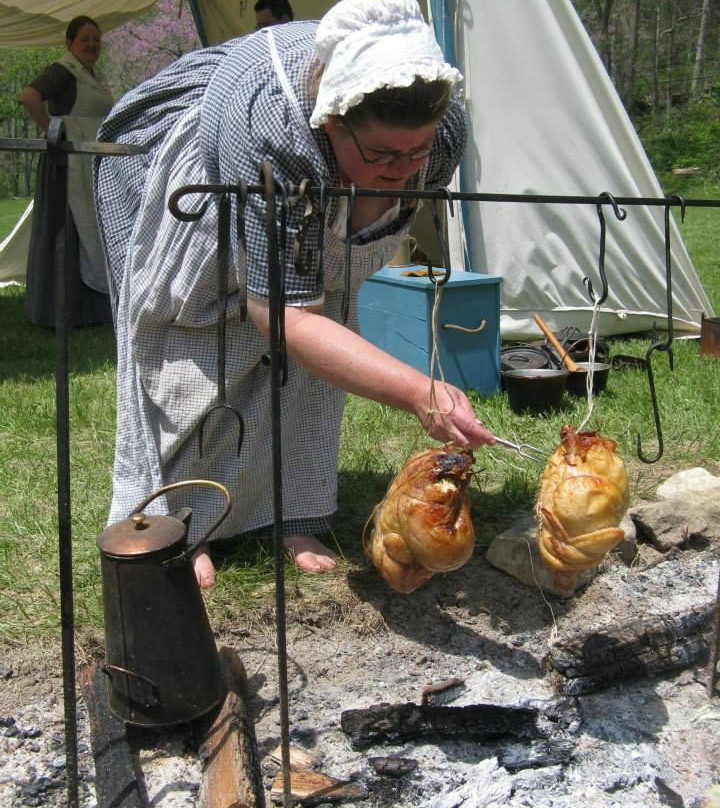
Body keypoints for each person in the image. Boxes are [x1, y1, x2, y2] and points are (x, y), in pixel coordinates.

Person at [94, 0, 495, 590]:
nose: (404, 168)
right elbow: (283, 318)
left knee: (325, 324)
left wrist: (372, 182)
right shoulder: (272, 129)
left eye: (415, 152)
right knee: (197, 339)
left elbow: (324, 298)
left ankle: (287, 512)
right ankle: (177, 520)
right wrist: (418, 391)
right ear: (333, 122)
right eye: (383, 154)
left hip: (302, 177)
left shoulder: (443, 128)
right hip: (187, 161)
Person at [20, 16, 113, 328]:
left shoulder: (91, 74)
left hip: (90, 164)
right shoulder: (63, 70)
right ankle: (60, 311)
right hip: (69, 166)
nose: (91, 45)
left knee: (91, 233)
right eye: (84, 39)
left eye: (95, 39)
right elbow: (29, 96)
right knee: (67, 232)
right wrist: (54, 133)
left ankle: (93, 309)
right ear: (70, 43)